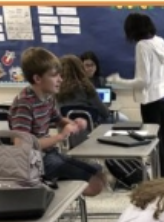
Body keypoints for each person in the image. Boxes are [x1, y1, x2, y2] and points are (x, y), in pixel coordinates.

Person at [8, 47, 105, 196]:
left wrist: (74, 123)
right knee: (94, 184)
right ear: (38, 79)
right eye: (54, 75)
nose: (60, 79)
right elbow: (22, 145)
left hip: (49, 155)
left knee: (99, 173)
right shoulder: (24, 104)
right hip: (34, 163)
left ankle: (55, 191)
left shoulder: (48, 97)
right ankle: (49, 193)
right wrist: (60, 137)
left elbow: (58, 120)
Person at [107, 13, 164, 178]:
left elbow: (143, 82)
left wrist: (118, 81)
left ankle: (160, 177)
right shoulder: (161, 41)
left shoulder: (142, 46)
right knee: (162, 134)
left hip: (152, 98)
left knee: (153, 137)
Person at [57, 54, 111, 125]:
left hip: (65, 131)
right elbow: (105, 113)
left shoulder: (56, 89)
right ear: (80, 68)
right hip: (89, 131)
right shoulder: (87, 87)